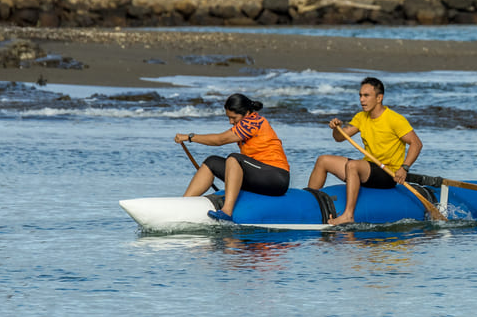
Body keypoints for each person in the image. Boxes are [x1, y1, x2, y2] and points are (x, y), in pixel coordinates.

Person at [308, 77, 423, 225]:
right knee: (323, 160)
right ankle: (308, 200)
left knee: (353, 165)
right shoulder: (361, 117)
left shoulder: (395, 119)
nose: (362, 100)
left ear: (379, 98)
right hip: (369, 169)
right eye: (360, 96)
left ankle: (348, 215)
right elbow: (339, 138)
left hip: (388, 173)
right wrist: (336, 128)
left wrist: (404, 168)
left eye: (366, 96)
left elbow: (416, 143)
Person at [174, 93, 290, 222]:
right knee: (211, 162)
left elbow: (219, 140)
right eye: (228, 118)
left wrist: (190, 137)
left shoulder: (253, 122)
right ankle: (183, 203)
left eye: (233, 118)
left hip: (276, 178)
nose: (231, 122)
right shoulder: (247, 121)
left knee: (234, 158)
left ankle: (227, 212)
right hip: (259, 175)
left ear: (246, 113)